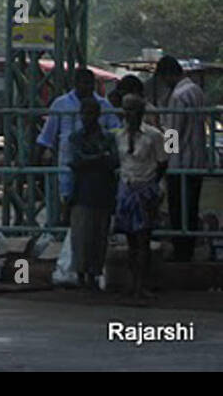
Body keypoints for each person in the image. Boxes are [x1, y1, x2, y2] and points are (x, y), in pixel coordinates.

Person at [36, 67, 120, 220]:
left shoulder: (104, 106)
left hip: (99, 166)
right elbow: (48, 135)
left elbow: (116, 132)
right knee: (68, 196)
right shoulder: (62, 106)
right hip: (70, 161)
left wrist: (170, 154)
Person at [112, 94, 168, 303]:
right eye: (126, 110)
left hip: (145, 188)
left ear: (142, 112)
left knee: (143, 240)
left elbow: (163, 163)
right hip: (126, 189)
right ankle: (131, 282)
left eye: (134, 110)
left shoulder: (154, 136)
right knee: (130, 241)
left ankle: (141, 285)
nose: (130, 114)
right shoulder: (119, 136)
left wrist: (153, 186)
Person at [65, 96, 119, 291]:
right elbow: (77, 161)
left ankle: (94, 275)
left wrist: (91, 160)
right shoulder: (76, 138)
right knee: (81, 238)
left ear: (97, 115)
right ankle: (81, 275)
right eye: (84, 114)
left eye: (90, 113)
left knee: (99, 237)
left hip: (102, 192)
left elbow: (113, 161)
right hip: (82, 192)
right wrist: (99, 158)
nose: (87, 118)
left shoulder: (108, 137)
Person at [156, 55, 206, 262]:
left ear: (168, 75)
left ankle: (181, 253)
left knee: (178, 210)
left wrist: (164, 160)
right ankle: (189, 250)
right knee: (191, 209)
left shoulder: (177, 96)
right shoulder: (196, 91)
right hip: (197, 160)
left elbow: (172, 135)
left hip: (179, 162)